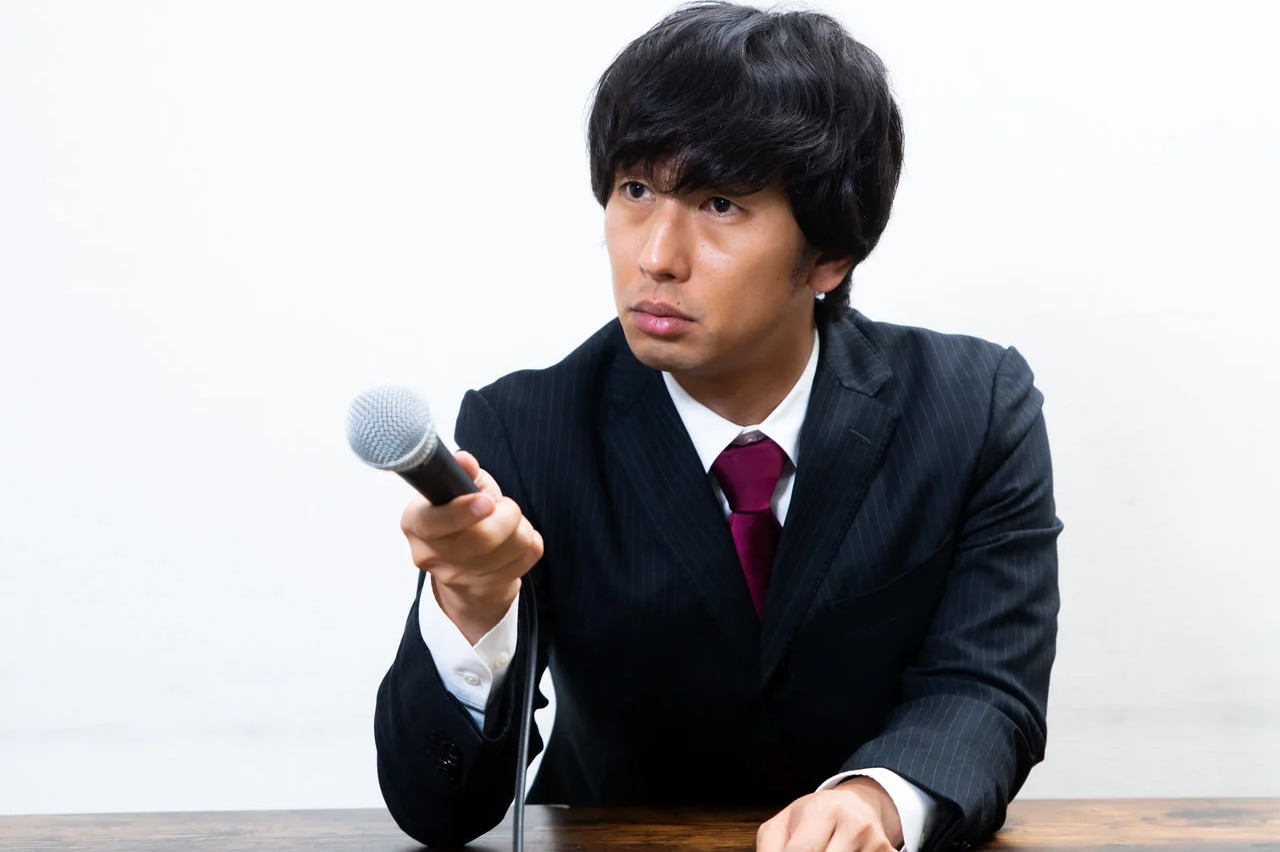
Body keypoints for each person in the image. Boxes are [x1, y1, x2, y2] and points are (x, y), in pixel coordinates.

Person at [373, 3, 1061, 850]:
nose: (656, 256)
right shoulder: (526, 426)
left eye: (721, 203)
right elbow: (439, 813)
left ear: (829, 255)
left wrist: (879, 799)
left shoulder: (974, 406)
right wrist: (471, 602)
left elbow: (986, 688)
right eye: (636, 190)